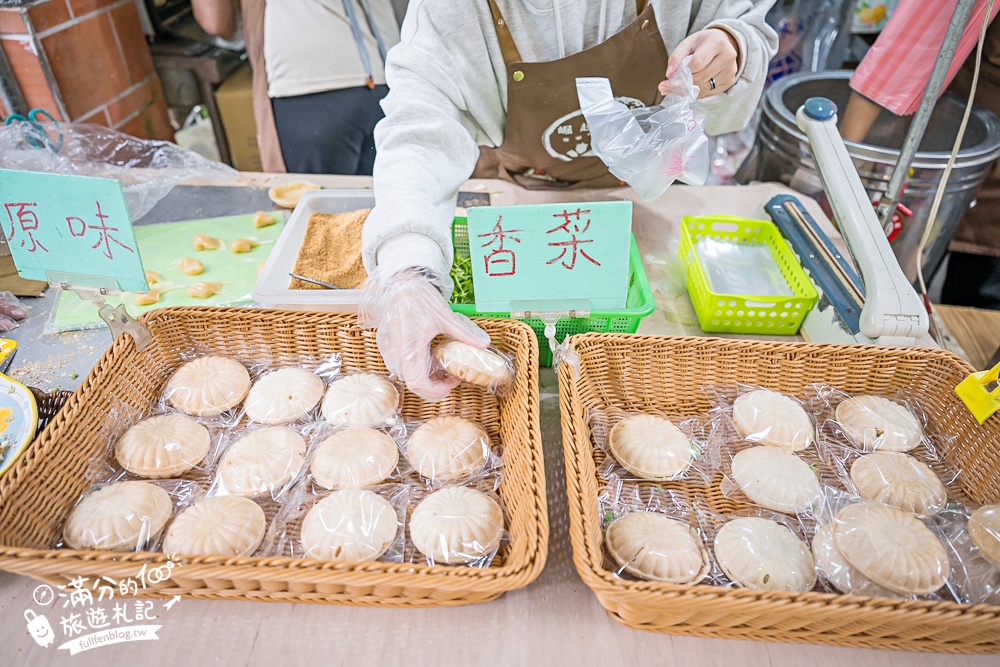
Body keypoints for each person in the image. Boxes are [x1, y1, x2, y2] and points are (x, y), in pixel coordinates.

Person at [359, 0, 778, 402]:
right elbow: (418, 126)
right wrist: (408, 269)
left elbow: (748, 27)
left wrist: (733, 43)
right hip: (525, 195)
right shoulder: (448, 10)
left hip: (649, 195)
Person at [264, 1, 401, 174]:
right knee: (384, 194)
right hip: (383, 73)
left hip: (311, 81)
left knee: (320, 195)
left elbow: (220, 24)